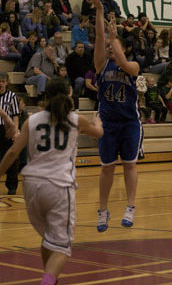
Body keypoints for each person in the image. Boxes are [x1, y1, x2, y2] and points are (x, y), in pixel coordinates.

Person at [0, 78, 103, 285]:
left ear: (45, 95)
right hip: (58, 186)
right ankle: (47, 282)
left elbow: (12, 152)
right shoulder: (75, 119)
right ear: (69, 94)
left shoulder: (33, 120)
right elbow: (98, 134)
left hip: (31, 186)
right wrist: (98, 120)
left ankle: (51, 280)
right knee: (62, 246)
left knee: (50, 239)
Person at [90, 0, 142, 232]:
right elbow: (100, 37)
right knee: (106, 167)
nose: (109, 47)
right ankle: (103, 209)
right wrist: (100, 12)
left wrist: (115, 39)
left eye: (113, 45)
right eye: (108, 46)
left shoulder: (133, 65)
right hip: (108, 123)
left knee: (130, 164)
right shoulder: (101, 64)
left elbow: (124, 64)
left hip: (130, 122)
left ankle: (130, 206)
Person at [0, 72, 19, 195]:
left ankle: (12, 186)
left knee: (11, 159)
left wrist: (15, 132)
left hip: (6, 130)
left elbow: (16, 115)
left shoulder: (12, 96)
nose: (0, 83)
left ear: (7, 82)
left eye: (2, 81)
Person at [65, 41, 92, 110]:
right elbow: (69, 71)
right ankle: (76, 94)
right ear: (75, 48)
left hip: (86, 76)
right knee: (80, 80)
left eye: (82, 47)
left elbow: (90, 68)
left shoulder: (88, 56)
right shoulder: (70, 57)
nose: (81, 49)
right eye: (79, 47)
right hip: (74, 78)